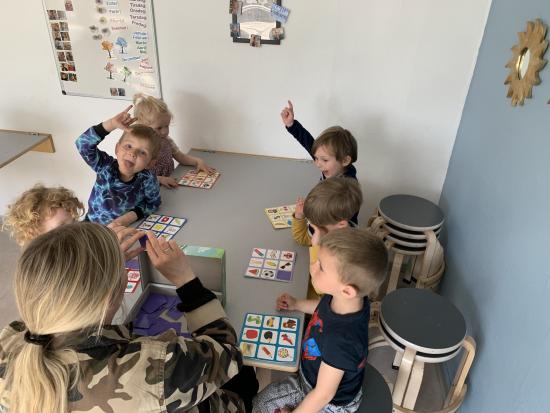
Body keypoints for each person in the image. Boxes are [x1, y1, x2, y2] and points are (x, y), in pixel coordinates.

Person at [0, 222, 252, 412]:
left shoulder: (10, 340)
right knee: (246, 379)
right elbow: (228, 352)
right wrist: (186, 279)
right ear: (110, 296)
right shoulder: (155, 365)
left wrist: (103, 263)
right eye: (122, 270)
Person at [252, 228, 388, 413]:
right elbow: (322, 308)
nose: (313, 267)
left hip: (328, 402)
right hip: (319, 373)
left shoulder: (341, 341)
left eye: (321, 267)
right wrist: (297, 304)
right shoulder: (347, 300)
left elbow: (323, 395)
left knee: (261, 404)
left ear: (347, 290)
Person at [75, 105, 161, 225]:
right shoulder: (104, 166)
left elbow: (153, 204)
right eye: (129, 146)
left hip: (124, 230)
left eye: (142, 152)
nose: (132, 153)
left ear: (150, 163)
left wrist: (127, 219)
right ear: (117, 149)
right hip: (92, 227)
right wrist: (111, 124)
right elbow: (82, 144)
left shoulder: (147, 179)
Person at [281, 100, 359, 225]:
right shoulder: (329, 163)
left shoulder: (348, 190)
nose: (318, 163)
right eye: (316, 158)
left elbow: (339, 223)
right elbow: (307, 141)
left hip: (340, 231)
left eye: (324, 160)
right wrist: (291, 124)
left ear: (345, 160)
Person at [133, 93, 214, 189]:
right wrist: (159, 179)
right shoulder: (139, 148)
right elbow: (135, 176)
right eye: (159, 128)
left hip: (169, 186)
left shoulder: (167, 141)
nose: (165, 132)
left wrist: (198, 161)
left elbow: (181, 157)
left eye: (166, 126)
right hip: (149, 190)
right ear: (142, 127)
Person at [2, 184, 84, 246]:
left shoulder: (80, 243)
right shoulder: (43, 262)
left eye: (74, 222)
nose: (75, 231)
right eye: (62, 228)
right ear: (34, 233)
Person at [292, 177, 362, 247]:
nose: (313, 225)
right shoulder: (327, 224)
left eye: (319, 225)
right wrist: (299, 216)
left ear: (341, 225)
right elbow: (302, 238)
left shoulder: (349, 248)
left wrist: (317, 246)